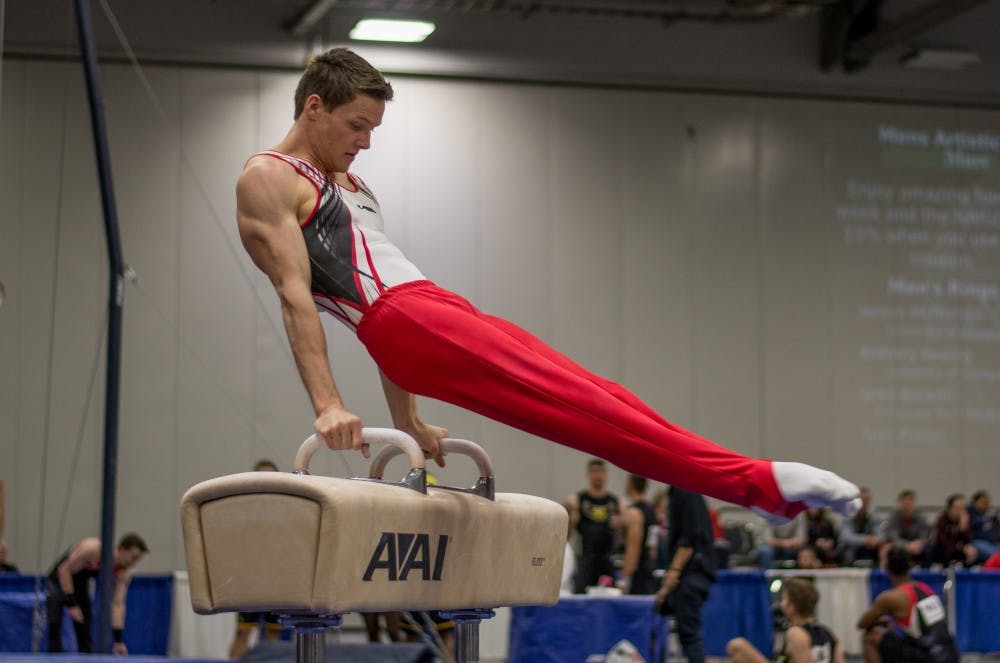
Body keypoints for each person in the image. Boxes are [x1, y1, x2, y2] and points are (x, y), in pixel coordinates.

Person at [234, 47, 861, 523]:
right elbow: (296, 295)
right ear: (313, 106)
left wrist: (412, 421)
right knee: (587, 416)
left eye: (373, 128)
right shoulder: (268, 177)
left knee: (602, 398)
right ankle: (759, 484)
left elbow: (386, 330)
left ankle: (756, 486)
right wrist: (328, 405)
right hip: (407, 319)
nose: (366, 142)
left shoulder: (349, 183)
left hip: (428, 313)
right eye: (355, 125)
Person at [45, 532, 149, 654]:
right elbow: (64, 570)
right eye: (133, 557)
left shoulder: (123, 572)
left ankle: (86, 656)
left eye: (137, 559)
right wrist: (71, 603)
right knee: (55, 621)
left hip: (80, 585)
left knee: (85, 627)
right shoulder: (93, 549)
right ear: (121, 549)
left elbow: (118, 604)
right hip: (58, 579)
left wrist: (118, 641)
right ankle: (54, 655)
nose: (134, 563)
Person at [857, 546, 959, 663]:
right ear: (909, 566)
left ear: (886, 567)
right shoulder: (924, 588)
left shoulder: (891, 597)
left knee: (871, 637)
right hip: (950, 653)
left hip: (930, 657)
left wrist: (881, 622)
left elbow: (862, 624)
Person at [229, 459, 289, 658]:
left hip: (277, 577)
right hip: (249, 576)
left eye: (271, 476)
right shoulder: (243, 507)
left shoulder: (286, 509)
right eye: (262, 476)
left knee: (273, 630)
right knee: (243, 631)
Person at [654, 486, 716, 663]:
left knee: (689, 635)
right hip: (693, 572)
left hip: (691, 574)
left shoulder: (683, 490)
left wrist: (673, 574)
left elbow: (690, 537)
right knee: (688, 634)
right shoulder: (686, 490)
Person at [727, 576, 844, 663]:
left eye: (784, 599)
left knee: (737, 646)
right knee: (738, 646)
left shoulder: (797, 633)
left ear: (791, 608)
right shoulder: (829, 634)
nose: (781, 604)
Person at [565, 459, 623, 593]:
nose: (598, 476)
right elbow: (567, 535)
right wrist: (571, 519)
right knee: (580, 595)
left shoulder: (615, 502)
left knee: (611, 595)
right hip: (587, 559)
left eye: (601, 472)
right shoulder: (578, 500)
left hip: (607, 560)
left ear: (607, 475)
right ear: (588, 475)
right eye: (594, 472)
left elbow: (622, 538)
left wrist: (620, 527)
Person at [617, 474, 656, 594]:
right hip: (648, 570)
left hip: (638, 575)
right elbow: (653, 548)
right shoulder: (651, 511)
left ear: (630, 485)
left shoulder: (634, 513)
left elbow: (633, 548)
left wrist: (625, 578)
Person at [882, 489, 931, 567]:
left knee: (928, 549)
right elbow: (893, 536)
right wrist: (906, 545)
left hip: (917, 547)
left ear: (913, 503)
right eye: (905, 503)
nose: (907, 506)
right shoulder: (893, 517)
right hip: (900, 546)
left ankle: (926, 574)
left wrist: (919, 543)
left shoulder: (921, 518)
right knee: (886, 549)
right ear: (900, 503)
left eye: (909, 503)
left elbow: (925, 536)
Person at [840, 486, 885, 566]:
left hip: (870, 547)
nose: (863, 504)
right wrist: (865, 540)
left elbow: (882, 534)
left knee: (883, 550)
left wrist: (875, 540)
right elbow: (846, 537)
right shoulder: (847, 513)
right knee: (847, 553)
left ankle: (877, 574)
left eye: (865, 501)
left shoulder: (875, 514)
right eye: (861, 501)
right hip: (852, 548)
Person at [929, 494, 977, 567]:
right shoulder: (942, 520)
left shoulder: (965, 520)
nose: (961, 511)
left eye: (963, 508)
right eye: (958, 508)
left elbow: (968, 540)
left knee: (973, 551)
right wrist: (961, 547)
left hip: (960, 550)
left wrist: (962, 528)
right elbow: (944, 542)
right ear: (950, 508)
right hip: (943, 550)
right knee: (945, 552)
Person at [967, 490, 1000, 564]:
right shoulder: (969, 514)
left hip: (994, 542)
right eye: (983, 502)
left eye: (987, 503)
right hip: (978, 542)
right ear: (975, 502)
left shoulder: (990, 515)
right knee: (993, 553)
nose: (986, 505)